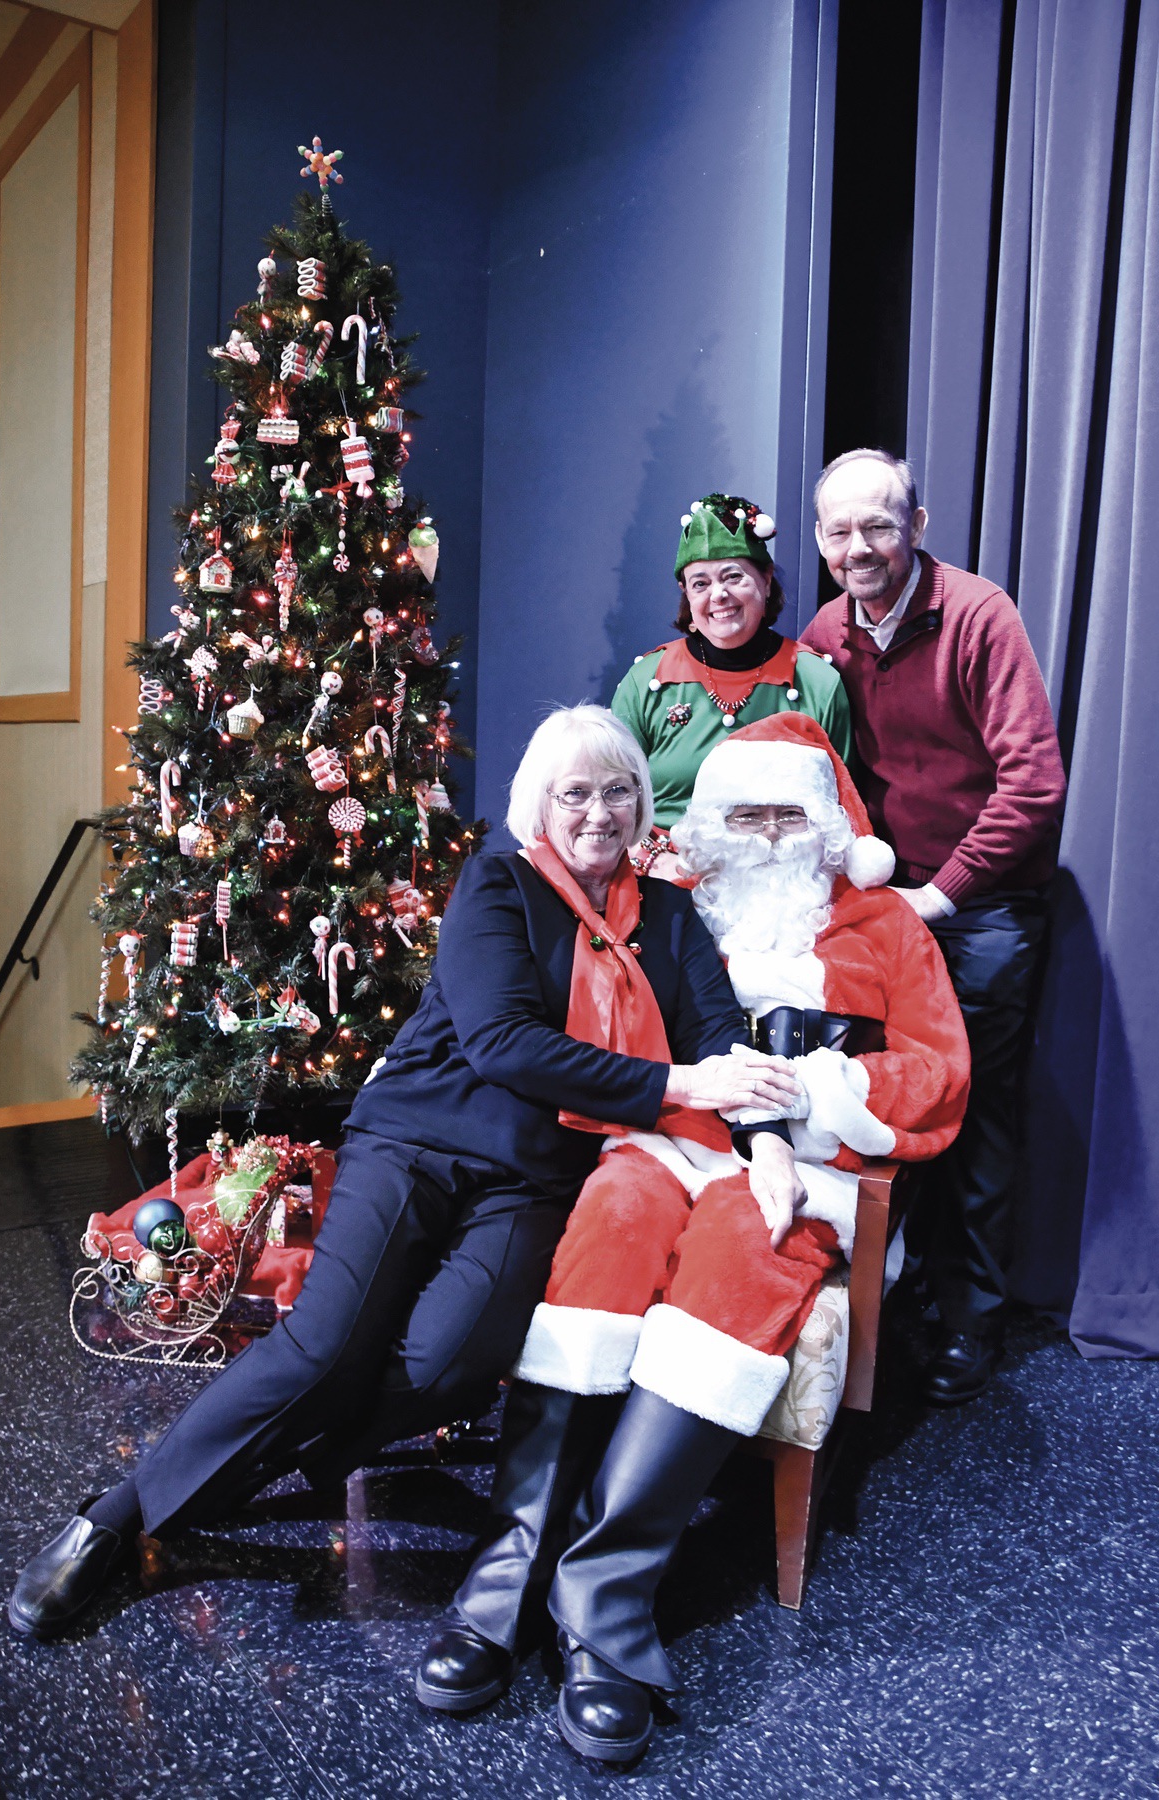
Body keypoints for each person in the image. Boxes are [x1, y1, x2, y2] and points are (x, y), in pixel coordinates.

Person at [9, 705, 797, 1641]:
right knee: (327, 1347)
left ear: (641, 801)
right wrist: (676, 1084)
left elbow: (722, 1038)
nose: (599, 811)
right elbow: (507, 1044)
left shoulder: (666, 914)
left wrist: (773, 1140)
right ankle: (117, 1516)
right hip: (419, 1139)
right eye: (574, 792)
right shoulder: (499, 884)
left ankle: (260, 1454)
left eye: (618, 789)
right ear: (539, 805)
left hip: (536, 1175)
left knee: (456, 1362)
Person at [416, 713, 969, 1763]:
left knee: (736, 1253)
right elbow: (668, 1032)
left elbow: (940, 1070)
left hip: (811, 1163)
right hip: (673, 1134)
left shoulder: (888, 925)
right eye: (742, 812)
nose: (764, 834)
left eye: (786, 814)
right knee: (611, 1218)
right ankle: (507, 1574)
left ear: (823, 824)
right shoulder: (673, 905)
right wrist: (719, 1105)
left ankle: (607, 1597)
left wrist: (818, 1092)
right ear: (708, 823)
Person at [801, 448, 1067, 1404]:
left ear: (916, 525)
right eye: (840, 531)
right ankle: (886, 1300)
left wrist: (941, 893)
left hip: (979, 905)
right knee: (867, 1098)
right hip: (883, 901)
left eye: (879, 525)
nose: (859, 547)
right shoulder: (827, 631)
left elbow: (1033, 784)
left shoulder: (978, 615)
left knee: (970, 1106)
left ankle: (971, 1321)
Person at [611, 493, 852, 878]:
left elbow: (842, 810)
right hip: (663, 880)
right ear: (686, 596)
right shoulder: (647, 681)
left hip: (785, 886)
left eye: (733, 576)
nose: (718, 595)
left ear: (766, 580)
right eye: (700, 583)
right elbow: (610, 802)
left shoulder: (817, 682)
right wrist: (655, 863)